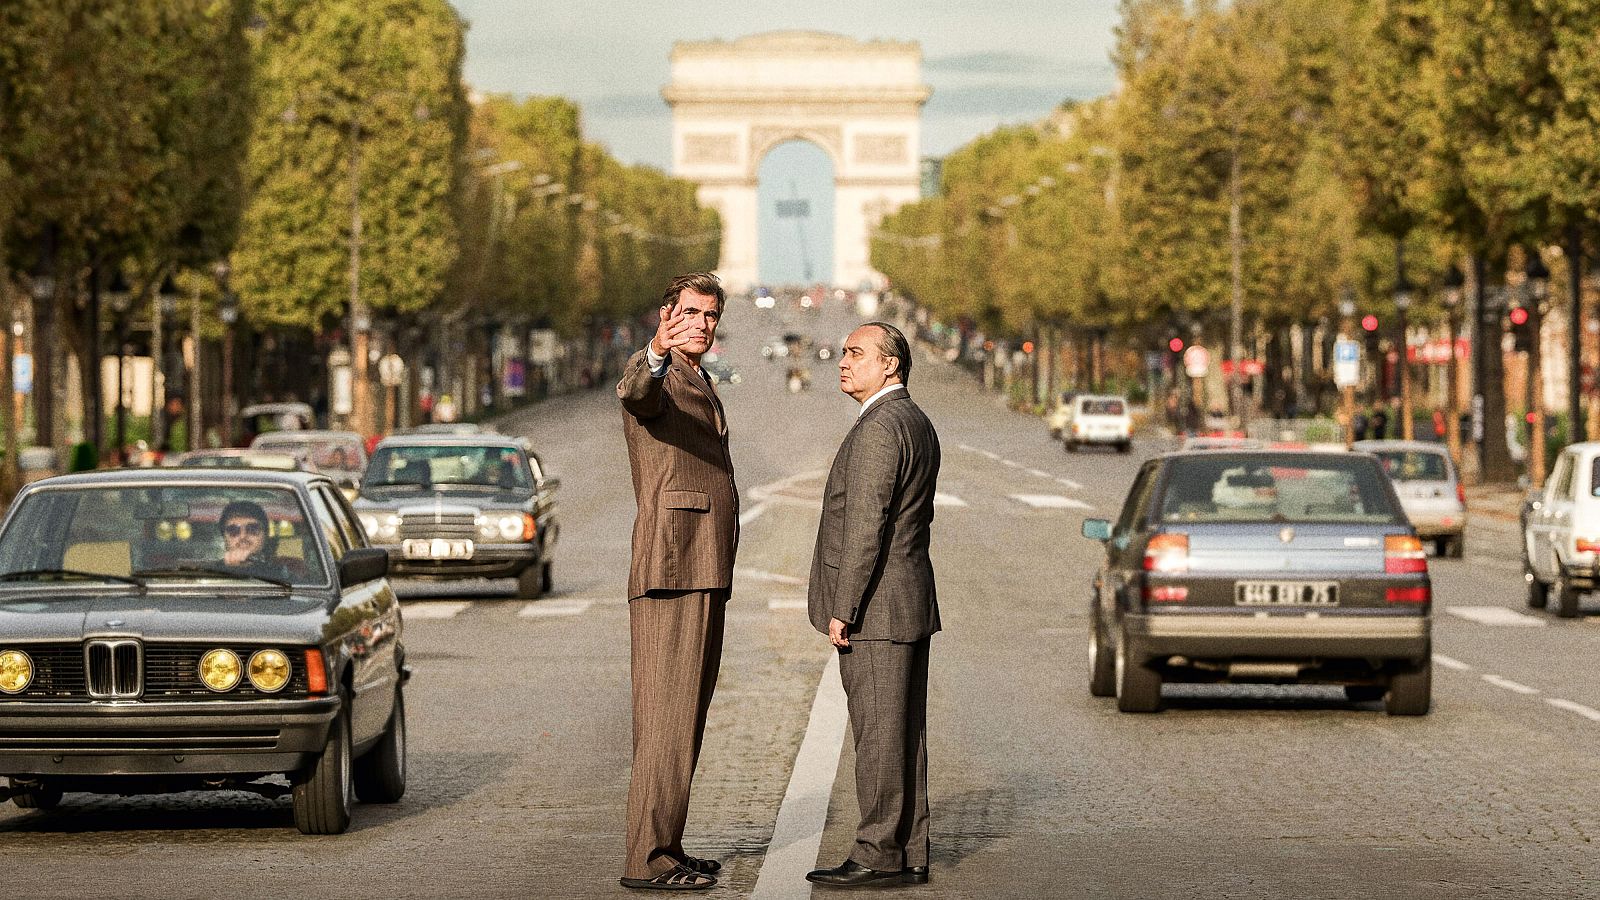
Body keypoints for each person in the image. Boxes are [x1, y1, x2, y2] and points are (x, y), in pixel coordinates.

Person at [805, 321, 941, 889]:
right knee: (903, 733)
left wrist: (844, 606)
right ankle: (908, 849)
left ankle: (877, 852)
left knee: (879, 735)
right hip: (906, 601)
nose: (843, 362)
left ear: (891, 365)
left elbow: (866, 527)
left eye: (857, 353)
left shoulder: (880, 428)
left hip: (878, 609)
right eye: (843, 353)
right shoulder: (914, 419)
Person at [616, 272, 737, 892]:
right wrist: (656, 352)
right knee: (665, 716)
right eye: (691, 312)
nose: (702, 323)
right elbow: (636, 393)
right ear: (667, 315)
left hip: (698, 563)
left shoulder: (699, 376)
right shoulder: (657, 373)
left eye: (711, 314)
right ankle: (648, 859)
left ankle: (669, 843)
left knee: (682, 716)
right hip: (673, 565)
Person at [218, 500, 290, 582]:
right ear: (224, 537)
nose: (243, 536)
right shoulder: (208, 573)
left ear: (265, 536)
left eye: (252, 529)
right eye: (233, 530)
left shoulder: (281, 574)